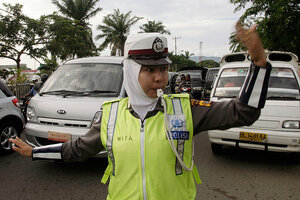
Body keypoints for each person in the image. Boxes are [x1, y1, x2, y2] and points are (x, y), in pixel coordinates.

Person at [10, 22, 271, 200]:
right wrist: (35, 152)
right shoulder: (110, 115)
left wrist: (259, 63)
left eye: (163, 69)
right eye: (149, 70)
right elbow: (77, 149)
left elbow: (244, 112)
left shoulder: (185, 110)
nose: (159, 77)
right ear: (131, 72)